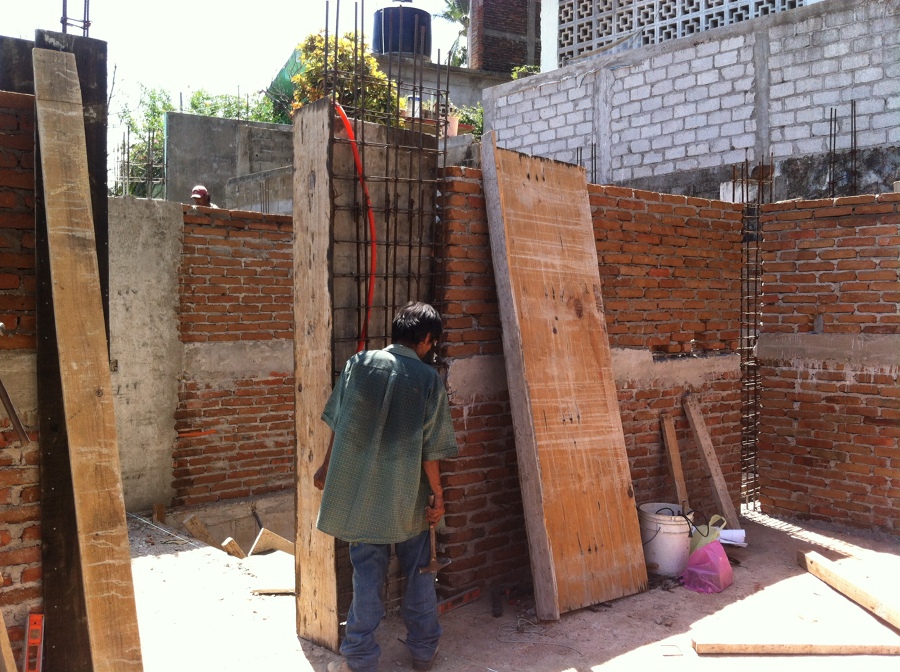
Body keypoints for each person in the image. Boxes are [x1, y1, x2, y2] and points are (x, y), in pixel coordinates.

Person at [314, 302, 459, 672]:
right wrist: (438, 497)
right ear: (426, 339)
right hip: (410, 500)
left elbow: (339, 421)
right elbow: (430, 451)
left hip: (364, 495)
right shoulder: (428, 381)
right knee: (421, 573)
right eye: (433, 344)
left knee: (366, 580)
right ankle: (424, 652)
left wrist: (327, 467)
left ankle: (360, 661)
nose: (431, 350)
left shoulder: (358, 365)